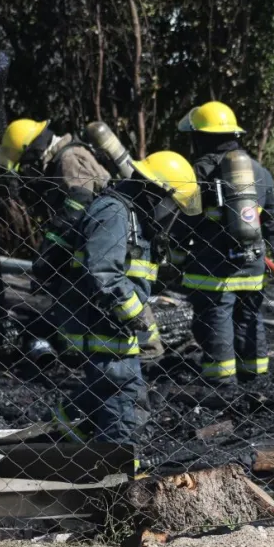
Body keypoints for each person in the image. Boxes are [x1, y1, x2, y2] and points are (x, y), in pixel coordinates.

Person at [52, 151, 201, 448]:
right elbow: (104, 271)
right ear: (157, 192)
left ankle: (64, 440)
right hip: (101, 323)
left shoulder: (133, 214)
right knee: (121, 396)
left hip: (112, 324)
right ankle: (116, 471)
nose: (172, 214)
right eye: (173, 204)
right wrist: (134, 312)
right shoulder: (115, 213)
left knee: (112, 389)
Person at [0, 119, 162, 359]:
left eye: (25, 163)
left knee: (126, 293)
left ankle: (149, 353)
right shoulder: (63, 158)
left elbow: (78, 202)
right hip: (99, 237)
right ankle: (91, 355)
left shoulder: (69, 159)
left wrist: (52, 249)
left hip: (109, 237)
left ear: (32, 150)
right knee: (97, 296)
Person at [171, 101, 274, 385]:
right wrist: (269, 247)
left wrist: (176, 250)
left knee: (216, 316)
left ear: (202, 136)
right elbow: (271, 218)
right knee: (249, 315)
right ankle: (254, 373)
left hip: (213, 265)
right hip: (252, 261)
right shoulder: (259, 170)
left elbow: (184, 219)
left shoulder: (200, 172)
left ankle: (220, 380)